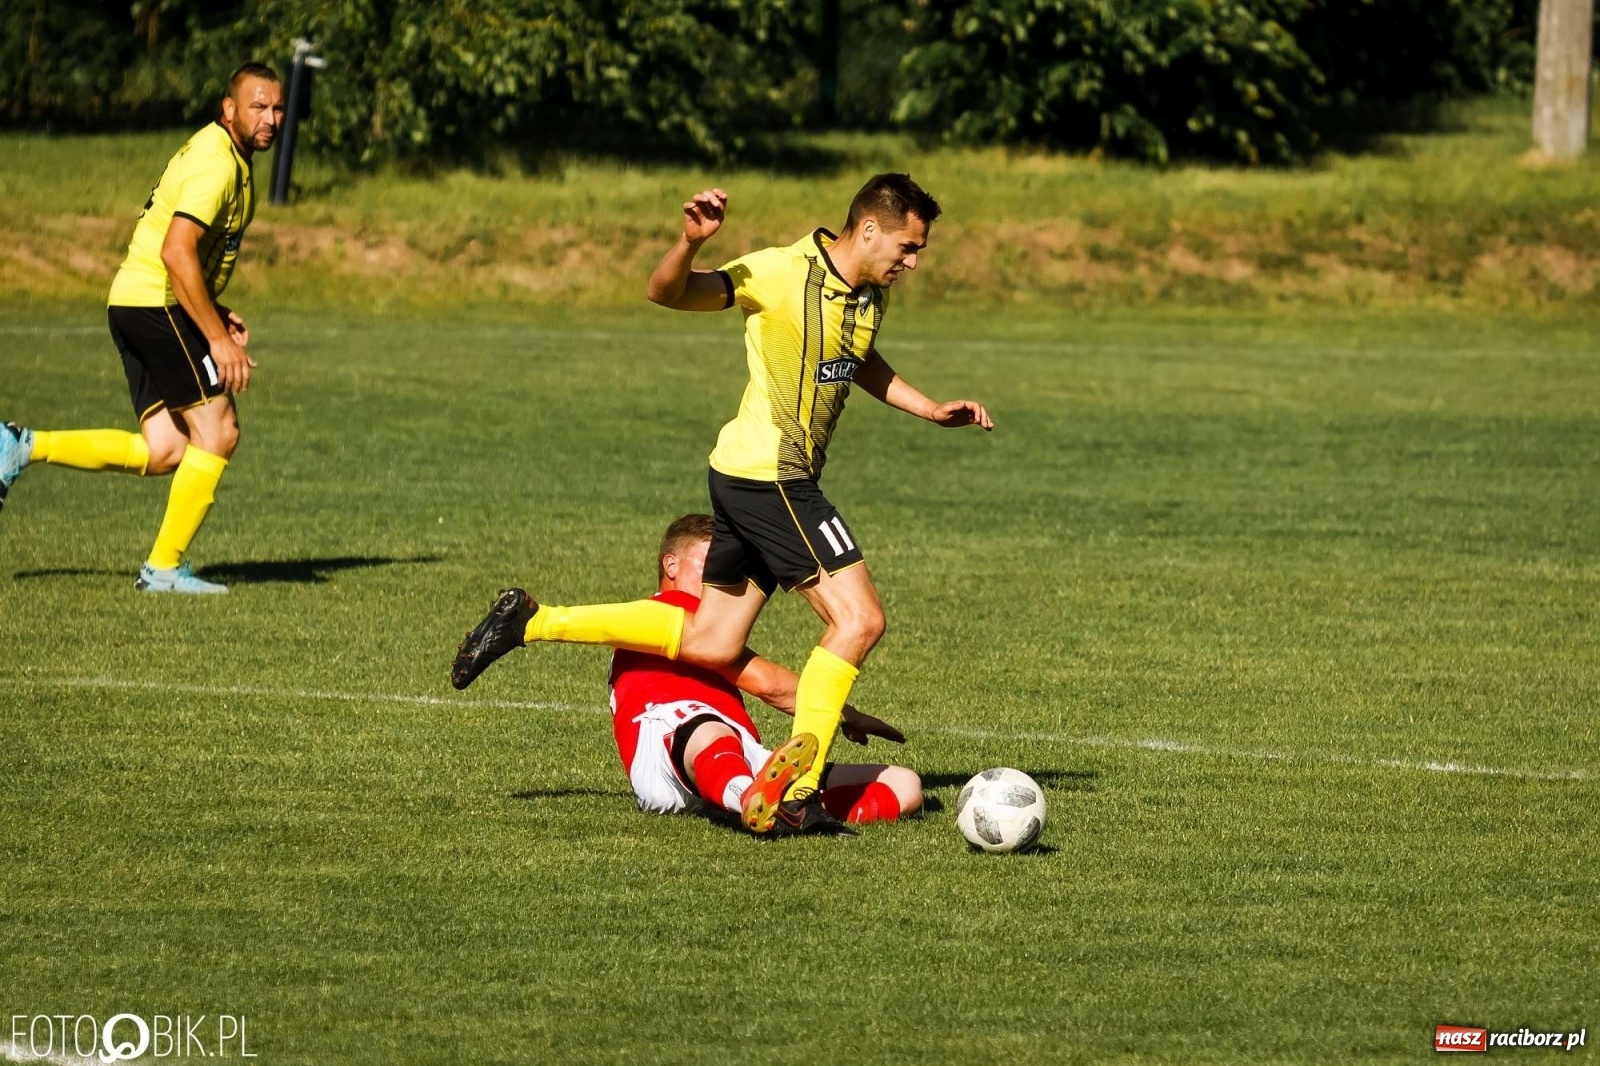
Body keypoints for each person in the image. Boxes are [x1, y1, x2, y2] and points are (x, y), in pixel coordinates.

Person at [454, 173, 990, 836]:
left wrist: (928, 407)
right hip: (773, 477)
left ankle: (531, 622)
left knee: (712, 640)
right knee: (859, 622)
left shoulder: (869, 295)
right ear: (870, 227)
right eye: (907, 246)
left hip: (743, 474)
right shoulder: (777, 270)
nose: (912, 261)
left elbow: (858, 359)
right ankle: (797, 788)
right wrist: (688, 243)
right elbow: (667, 292)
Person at [0, 63, 285, 593]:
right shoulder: (216, 164)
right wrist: (218, 341)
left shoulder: (228, 156)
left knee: (166, 449)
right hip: (156, 304)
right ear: (229, 109)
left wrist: (215, 311)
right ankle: (162, 569)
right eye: (257, 107)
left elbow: (185, 255)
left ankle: (20, 446)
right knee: (218, 430)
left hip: (135, 301)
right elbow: (175, 253)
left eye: (276, 108)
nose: (270, 118)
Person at [609, 515, 921, 832]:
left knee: (904, 785)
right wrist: (841, 711)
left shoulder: (710, 629)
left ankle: (794, 817)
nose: (719, 578)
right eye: (710, 565)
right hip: (666, 743)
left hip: (736, 753)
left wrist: (844, 713)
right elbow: (768, 684)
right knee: (711, 729)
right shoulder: (665, 612)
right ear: (671, 566)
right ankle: (749, 799)